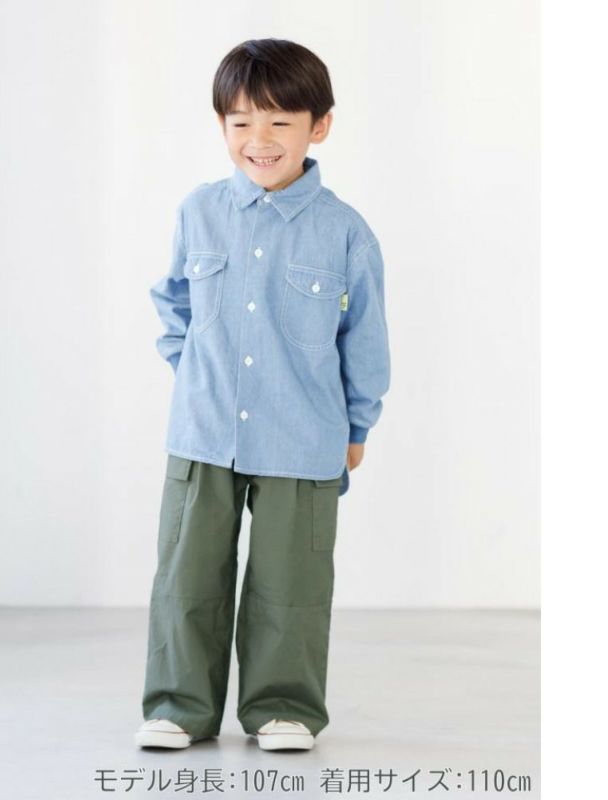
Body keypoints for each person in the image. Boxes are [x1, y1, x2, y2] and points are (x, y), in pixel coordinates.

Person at [135, 38, 390, 751]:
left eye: (280, 121)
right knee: (187, 575)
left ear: (319, 126)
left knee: (291, 581)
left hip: (303, 436)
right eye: (241, 122)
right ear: (221, 127)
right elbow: (174, 303)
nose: (260, 139)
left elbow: (365, 338)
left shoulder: (345, 231)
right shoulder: (199, 211)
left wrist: (357, 426)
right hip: (203, 431)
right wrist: (195, 373)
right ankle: (179, 706)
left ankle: (284, 707)